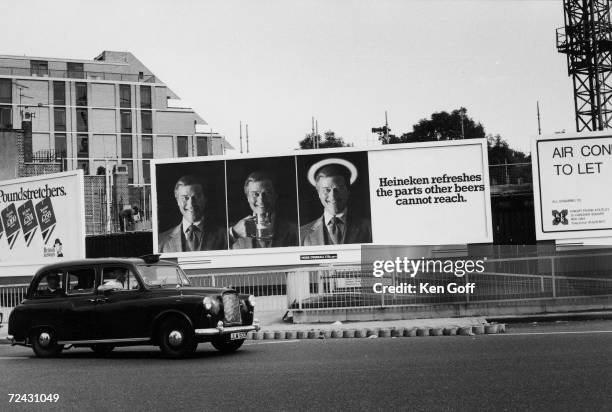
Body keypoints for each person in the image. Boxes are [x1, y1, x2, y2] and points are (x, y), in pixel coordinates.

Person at [300, 160, 372, 246]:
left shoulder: (370, 228)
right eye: (326, 190)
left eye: (338, 188)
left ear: (348, 191)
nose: (333, 196)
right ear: (318, 193)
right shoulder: (302, 233)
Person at [229, 171, 298, 249]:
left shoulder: (295, 231)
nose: (261, 200)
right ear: (248, 197)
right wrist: (233, 233)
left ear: (275, 196)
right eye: (255, 194)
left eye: (267, 193)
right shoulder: (234, 233)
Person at [158, 175, 227, 252]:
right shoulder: (160, 241)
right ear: (177, 201)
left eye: (197, 197)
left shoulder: (225, 236)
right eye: (185, 198)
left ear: (205, 199)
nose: (191, 204)